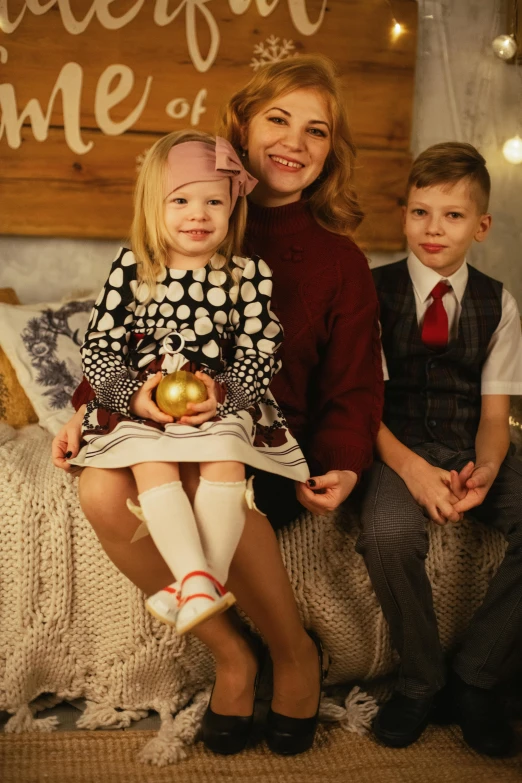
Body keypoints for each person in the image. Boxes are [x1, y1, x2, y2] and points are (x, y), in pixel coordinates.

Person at [53, 55, 383, 755]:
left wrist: (349, 463)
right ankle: (231, 652)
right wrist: (88, 405)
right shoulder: (182, 213)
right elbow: (126, 333)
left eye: (317, 130)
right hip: (158, 419)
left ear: (330, 152)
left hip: (258, 435)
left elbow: (355, 386)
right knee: (101, 494)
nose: (296, 141)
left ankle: (295, 652)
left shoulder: (339, 261)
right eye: (277, 119)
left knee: (207, 473)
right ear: (239, 128)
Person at [69, 130, 310, 637]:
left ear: (232, 208)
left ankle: (202, 582)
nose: (197, 214)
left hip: (216, 401)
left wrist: (224, 393)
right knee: (148, 460)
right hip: (143, 403)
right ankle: (197, 577)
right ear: (154, 206)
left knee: (224, 455)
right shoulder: (133, 269)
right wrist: (131, 395)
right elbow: (100, 346)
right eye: (180, 200)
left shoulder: (247, 274)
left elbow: (261, 347)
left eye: (213, 202)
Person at [358, 142, 522, 756]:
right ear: (403, 215)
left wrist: (486, 470)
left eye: (452, 216)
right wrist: (414, 472)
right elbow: (362, 410)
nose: (433, 229)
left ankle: (477, 676)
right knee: (386, 536)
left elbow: (494, 415)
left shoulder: (496, 302)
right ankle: (419, 679)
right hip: (393, 445)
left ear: (480, 227)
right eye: (420, 212)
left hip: (467, 439)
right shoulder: (370, 293)